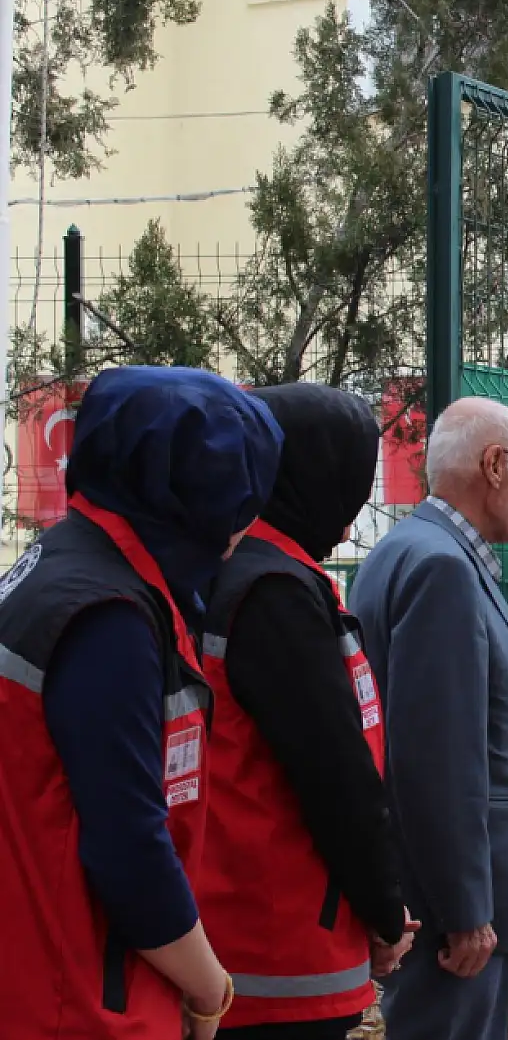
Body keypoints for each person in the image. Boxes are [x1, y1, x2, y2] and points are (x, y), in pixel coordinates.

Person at [0, 365, 283, 1040]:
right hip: (80, 1002)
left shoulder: (61, 567)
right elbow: (127, 846)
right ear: (202, 500)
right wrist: (210, 987)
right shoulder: (111, 617)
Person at [198, 383, 416, 1040]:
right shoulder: (274, 594)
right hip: (275, 949)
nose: (351, 522)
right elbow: (335, 774)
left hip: (243, 938)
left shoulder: (243, 570)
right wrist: (382, 911)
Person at [348, 397, 508, 1040]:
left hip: (437, 897)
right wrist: (467, 910)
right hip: (454, 917)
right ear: (494, 465)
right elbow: (438, 758)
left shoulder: (406, 551)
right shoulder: (441, 568)